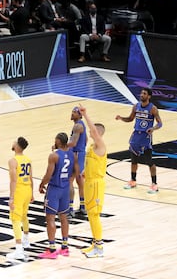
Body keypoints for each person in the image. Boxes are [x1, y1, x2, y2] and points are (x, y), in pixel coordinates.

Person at [115, 87, 163, 194]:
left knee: (149, 161)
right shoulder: (136, 106)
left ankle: (154, 184)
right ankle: (133, 181)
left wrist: (153, 129)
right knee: (133, 160)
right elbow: (130, 119)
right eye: (141, 93)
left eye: (144, 93)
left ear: (149, 96)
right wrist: (121, 118)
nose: (141, 95)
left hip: (146, 137)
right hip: (136, 135)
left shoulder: (153, 108)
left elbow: (160, 123)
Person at [38, 132, 78, 259]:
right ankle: (65, 247)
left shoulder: (54, 156)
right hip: (65, 189)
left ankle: (52, 249)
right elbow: (76, 172)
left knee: (50, 218)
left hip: (54, 189)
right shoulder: (73, 154)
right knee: (64, 217)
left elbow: (49, 175)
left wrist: (41, 184)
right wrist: (69, 181)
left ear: (58, 141)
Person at [78, 104, 107, 258]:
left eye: (92, 132)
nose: (90, 133)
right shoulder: (92, 147)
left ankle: (100, 248)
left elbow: (94, 131)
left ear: (98, 134)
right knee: (90, 215)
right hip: (89, 182)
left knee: (94, 215)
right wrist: (84, 172)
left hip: (96, 184)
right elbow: (90, 163)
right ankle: (95, 244)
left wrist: (85, 115)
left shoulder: (101, 145)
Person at [6, 136, 33, 262]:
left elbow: (13, 180)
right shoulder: (27, 159)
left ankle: (18, 250)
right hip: (27, 189)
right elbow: (31, 177)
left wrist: (11, 198)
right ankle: (26, 241)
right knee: (24, 215)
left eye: (14, 142)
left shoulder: (13, 160)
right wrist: (32, 193)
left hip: (19, 190)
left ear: (17, 146)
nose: (13, 142)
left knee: (15, 219)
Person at [66, 106, 87, 218]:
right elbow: (86, 139)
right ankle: (83, 206)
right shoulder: (81, 125)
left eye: (74, 112)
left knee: (70, 180)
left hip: (76, 154)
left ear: (80, 115)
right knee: (79, 181)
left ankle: (70, 209)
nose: (72, 113)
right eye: (72, 111)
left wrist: (59, 146)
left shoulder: (78, 126)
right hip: (81, 154)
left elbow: (73, 143)